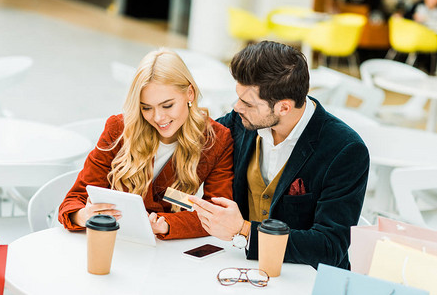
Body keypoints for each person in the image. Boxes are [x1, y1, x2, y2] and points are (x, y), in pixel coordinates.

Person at [189, 41, 369, 269]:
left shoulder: (345, 150)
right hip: (241, 269)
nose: (236, 108)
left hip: (307, 279)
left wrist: (243, 230)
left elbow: (329, 247)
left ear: (283, 108)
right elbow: (197, 138)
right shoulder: (241, 122)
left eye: (247, 103)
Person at [58, 49, 234, 240]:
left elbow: (216, 215)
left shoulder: (216, 140)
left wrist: (165, 225)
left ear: (189, 93)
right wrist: (84, 215)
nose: (158, 118)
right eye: (146, 108)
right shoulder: (119, 129)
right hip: (112, 240)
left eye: (167, 105)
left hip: (164, 250)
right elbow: (73, 201)